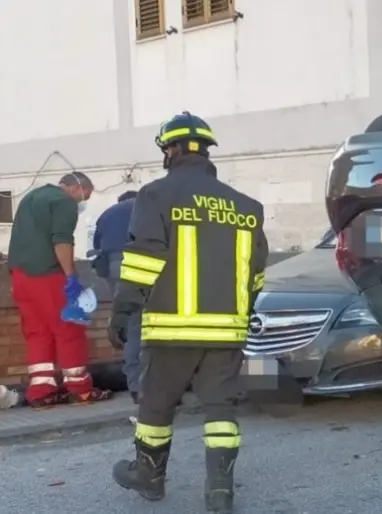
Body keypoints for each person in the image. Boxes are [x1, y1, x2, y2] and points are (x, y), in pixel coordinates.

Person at [108, 111, 268, 514]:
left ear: (171, 150)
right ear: (206, 150)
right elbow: (256, 273)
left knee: (156, 405)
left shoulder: (156, 195)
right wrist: (242, 316)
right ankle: (220, 494)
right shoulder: (246, 206)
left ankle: (149, 477)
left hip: (171, 329)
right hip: (227, 332)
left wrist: (124, 310)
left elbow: (145, 256)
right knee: (220, 410)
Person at [7, 172, 113, 408]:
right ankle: (79, 390)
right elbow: (62, 241)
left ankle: (41, 391)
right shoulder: (64, 202)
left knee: (37, 331)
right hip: (49, 274)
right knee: (68, 328)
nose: (83, 201)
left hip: (21, 276)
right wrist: (71, 277)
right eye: (86, 195)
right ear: (76, 188)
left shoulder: (31, 197)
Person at [93, 189, 143, 403]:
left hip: (113, 267)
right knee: (145, 324)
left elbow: (97, 246)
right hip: (142, 264)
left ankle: (136, 385)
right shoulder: (146, 208)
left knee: (132, 320)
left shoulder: (107, 213)